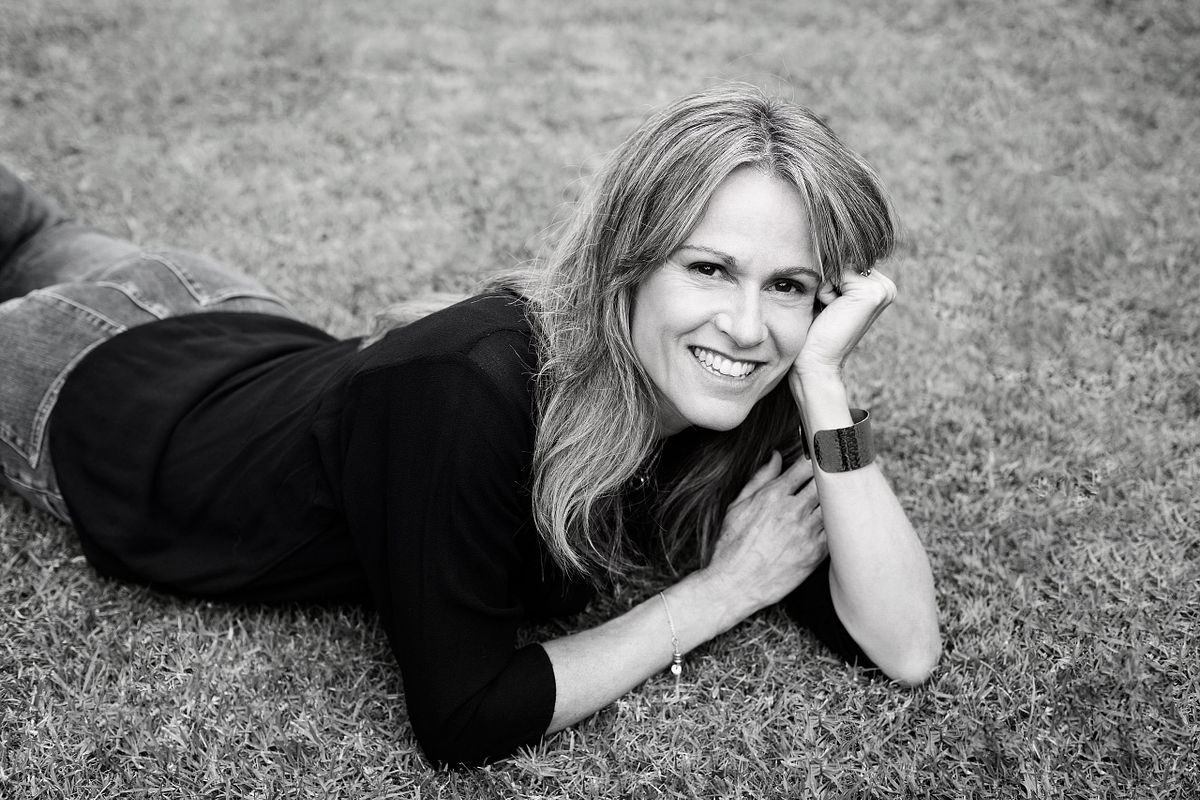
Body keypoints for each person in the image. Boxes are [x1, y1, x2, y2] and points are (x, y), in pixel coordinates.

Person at [0, 84, 940, 767]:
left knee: (31, 231)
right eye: (708, 268)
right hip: (85, 393)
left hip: (225, 310)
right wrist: (721, 592)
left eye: (789, 285)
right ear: (629, 261)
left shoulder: (750, 380)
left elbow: (903, 647)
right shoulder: (464, 390)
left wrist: (822, 383)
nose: (746, 325)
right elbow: (465, 715)